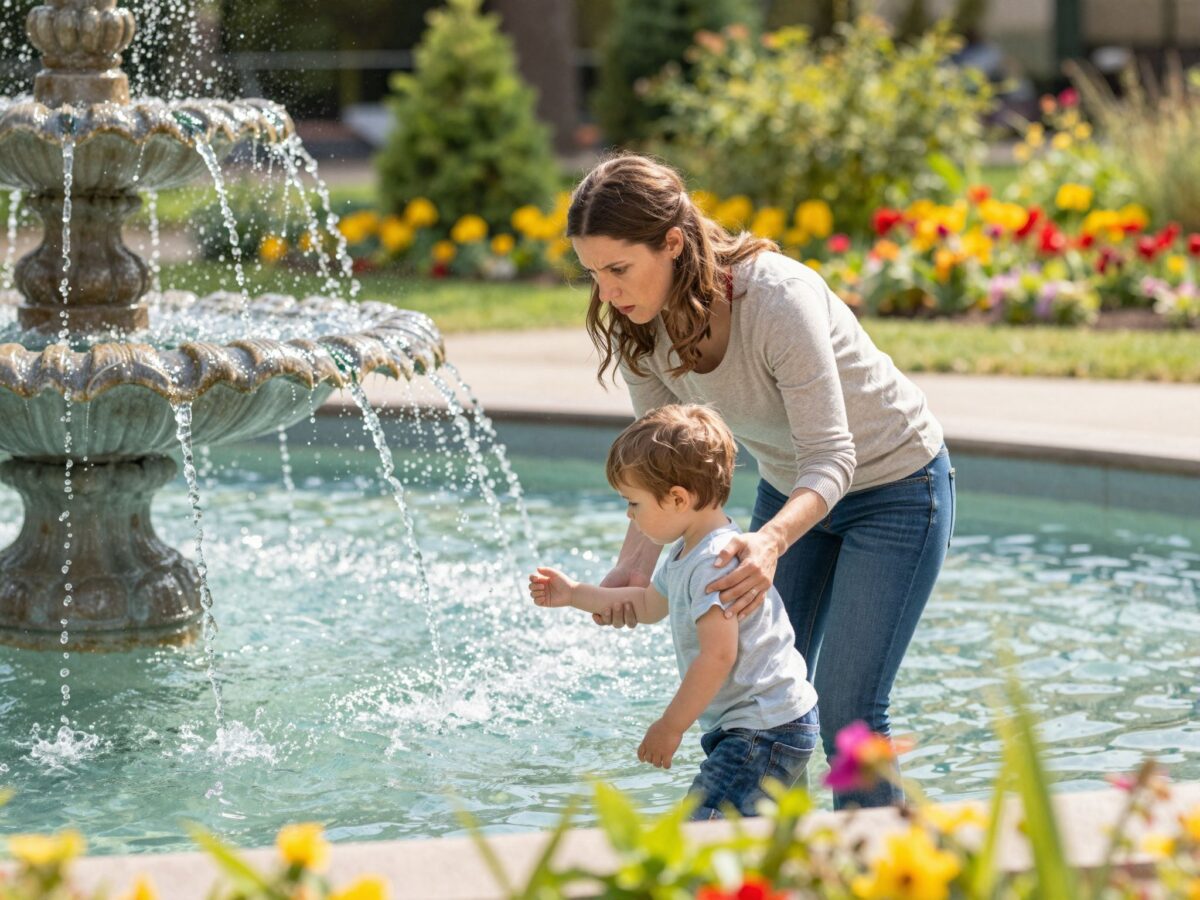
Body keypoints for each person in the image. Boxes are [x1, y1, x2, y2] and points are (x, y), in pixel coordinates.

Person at [566, 153, 955, 808]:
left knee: (849, 714)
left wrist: (771, 542)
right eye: (593, 273)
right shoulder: (641, 328)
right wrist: (634, 566)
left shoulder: (776, 298)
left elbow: (833, 455)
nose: (606, 293)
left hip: (895, 486)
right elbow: (664, 471)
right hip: (790, 490)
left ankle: (888, 858)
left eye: (619, 269)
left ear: (672, 242)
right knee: (763, 706)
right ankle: (777, 857)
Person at [529, 404, 819, 819]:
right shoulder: (689, 551)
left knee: (704, 829)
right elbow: (648, 605)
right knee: (771, 837)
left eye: (634, 503)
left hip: (762, 728)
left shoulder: (713, 562)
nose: (629, 515)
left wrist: (670, 726)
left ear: (678, 498)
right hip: (770, 721)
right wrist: (575, 594)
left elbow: (718, 656)